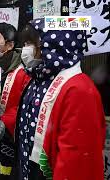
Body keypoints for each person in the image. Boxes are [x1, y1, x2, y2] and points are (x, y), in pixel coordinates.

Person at [14, 18, 105, 180]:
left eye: (31, 43)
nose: (26, 50)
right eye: (25, 43)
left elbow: (76, 160)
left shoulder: (79, 89)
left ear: (54, 45)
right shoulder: (36, 80)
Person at [0, 22, 30, 179]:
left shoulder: (22, 73)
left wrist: (5, 121)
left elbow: (25, 107)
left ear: (9, 45)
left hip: (9, 141)